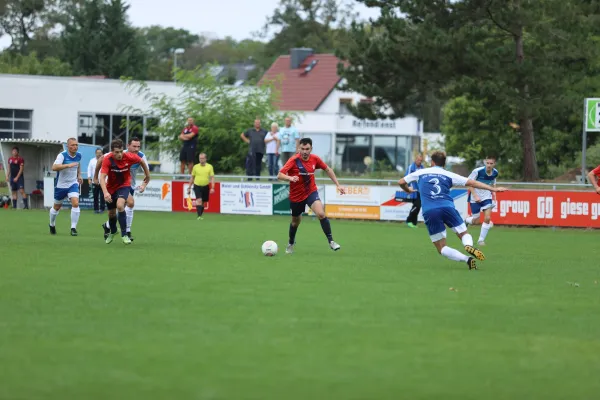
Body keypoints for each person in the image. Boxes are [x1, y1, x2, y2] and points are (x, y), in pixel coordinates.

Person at [398, 151, 508, 270]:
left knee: (441, 248)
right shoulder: (449, 174)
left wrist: (408, 190)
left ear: (432, 162)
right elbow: (472, 182)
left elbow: (401, 182)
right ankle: (468, 246)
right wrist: (493, 189)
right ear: (444, 164)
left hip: (430, 211)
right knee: (464, 233)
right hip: (447, 207)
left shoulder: (420, 172)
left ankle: (467, 259)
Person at [277, 137, 345, 253]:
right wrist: (290, 178)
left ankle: (331, 241)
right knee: (295, 222)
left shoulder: (315, 159)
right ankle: (291, 243)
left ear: (311, 149)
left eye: (307, 149)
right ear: (299, 148)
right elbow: (279, 175)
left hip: (311, 192)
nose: (304, 151)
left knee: (321, 213)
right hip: (296, 196)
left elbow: (328, 169)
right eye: (302, 149)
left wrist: (338, 185)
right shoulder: (293, 160)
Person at [99, 139, 150, 245]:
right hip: (111, 187)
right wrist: (105, 192)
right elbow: (102, 177)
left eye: (121, 151)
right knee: (111, 213)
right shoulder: (107, 159)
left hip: (124, 185)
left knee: (121, 205)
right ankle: (112, 231)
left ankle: (125, 233)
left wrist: (147, 176)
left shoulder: (129, 156)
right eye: (117, 152)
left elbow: (142, 162)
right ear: (112, 152)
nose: (120, 154)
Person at [49, 138, 83, 236]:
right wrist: (67, 165)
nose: (75, 147)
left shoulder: (79, 155)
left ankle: (73, 228)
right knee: (56, 207)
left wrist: (79, 175)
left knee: (75, 203)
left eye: (76, 145)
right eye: (72, 145)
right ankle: (51, 224)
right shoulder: (62, 155)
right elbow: (54, 167)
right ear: (67, 146)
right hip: (61, 185)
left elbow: (78, 164)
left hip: (73, 183)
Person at [465, 157, 499, 246]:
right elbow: (468, 184)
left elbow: (493, 184)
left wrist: (494, 197)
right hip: (474, 197)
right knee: (476, 221)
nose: (489, 165)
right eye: (487, 163)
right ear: (485, 163)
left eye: (491, 163)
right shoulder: (477, 171)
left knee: (487, 218)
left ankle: (481, 240)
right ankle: (467, 220)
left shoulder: (495, 172)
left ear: (494, 164)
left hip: (487, 197)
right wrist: (475, 195)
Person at [186, 153, 215, 220]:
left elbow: (212, 178)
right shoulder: (195, 167)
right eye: (200, 158)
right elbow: (192, 177)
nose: (201, 160)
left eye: (202, 158)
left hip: (205, 186)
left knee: (203, 202)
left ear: (205, 159)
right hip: (197, 186)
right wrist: (189, 187)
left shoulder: (209, 167)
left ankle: (200, 215)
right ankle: (199, 216)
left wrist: (212, 187)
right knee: (199, 200)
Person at [405, 153, 424, 228]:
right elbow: (406, 177)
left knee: (417, 206)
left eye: (421, 160)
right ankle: (409, 220)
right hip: (413, 190)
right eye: (418, 160)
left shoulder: (422, 168)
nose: (420, 161)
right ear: (415, 160)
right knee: (417, 205)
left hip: (420, 190)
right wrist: (408, 187)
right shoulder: (411, 167)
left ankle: (413, 223)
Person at [87, 148, 105, 214]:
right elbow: (89, 169)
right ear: (95, 153)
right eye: (97, 153)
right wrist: (89, 178)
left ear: (102, 153)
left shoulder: (105, 160)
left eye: (100, 153)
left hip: (103, 181)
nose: (99, 154)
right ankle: (96, 209)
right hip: (95, 181)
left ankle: (102, 209)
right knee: (95, 196)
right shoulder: (92, 161)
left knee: (103, 196)